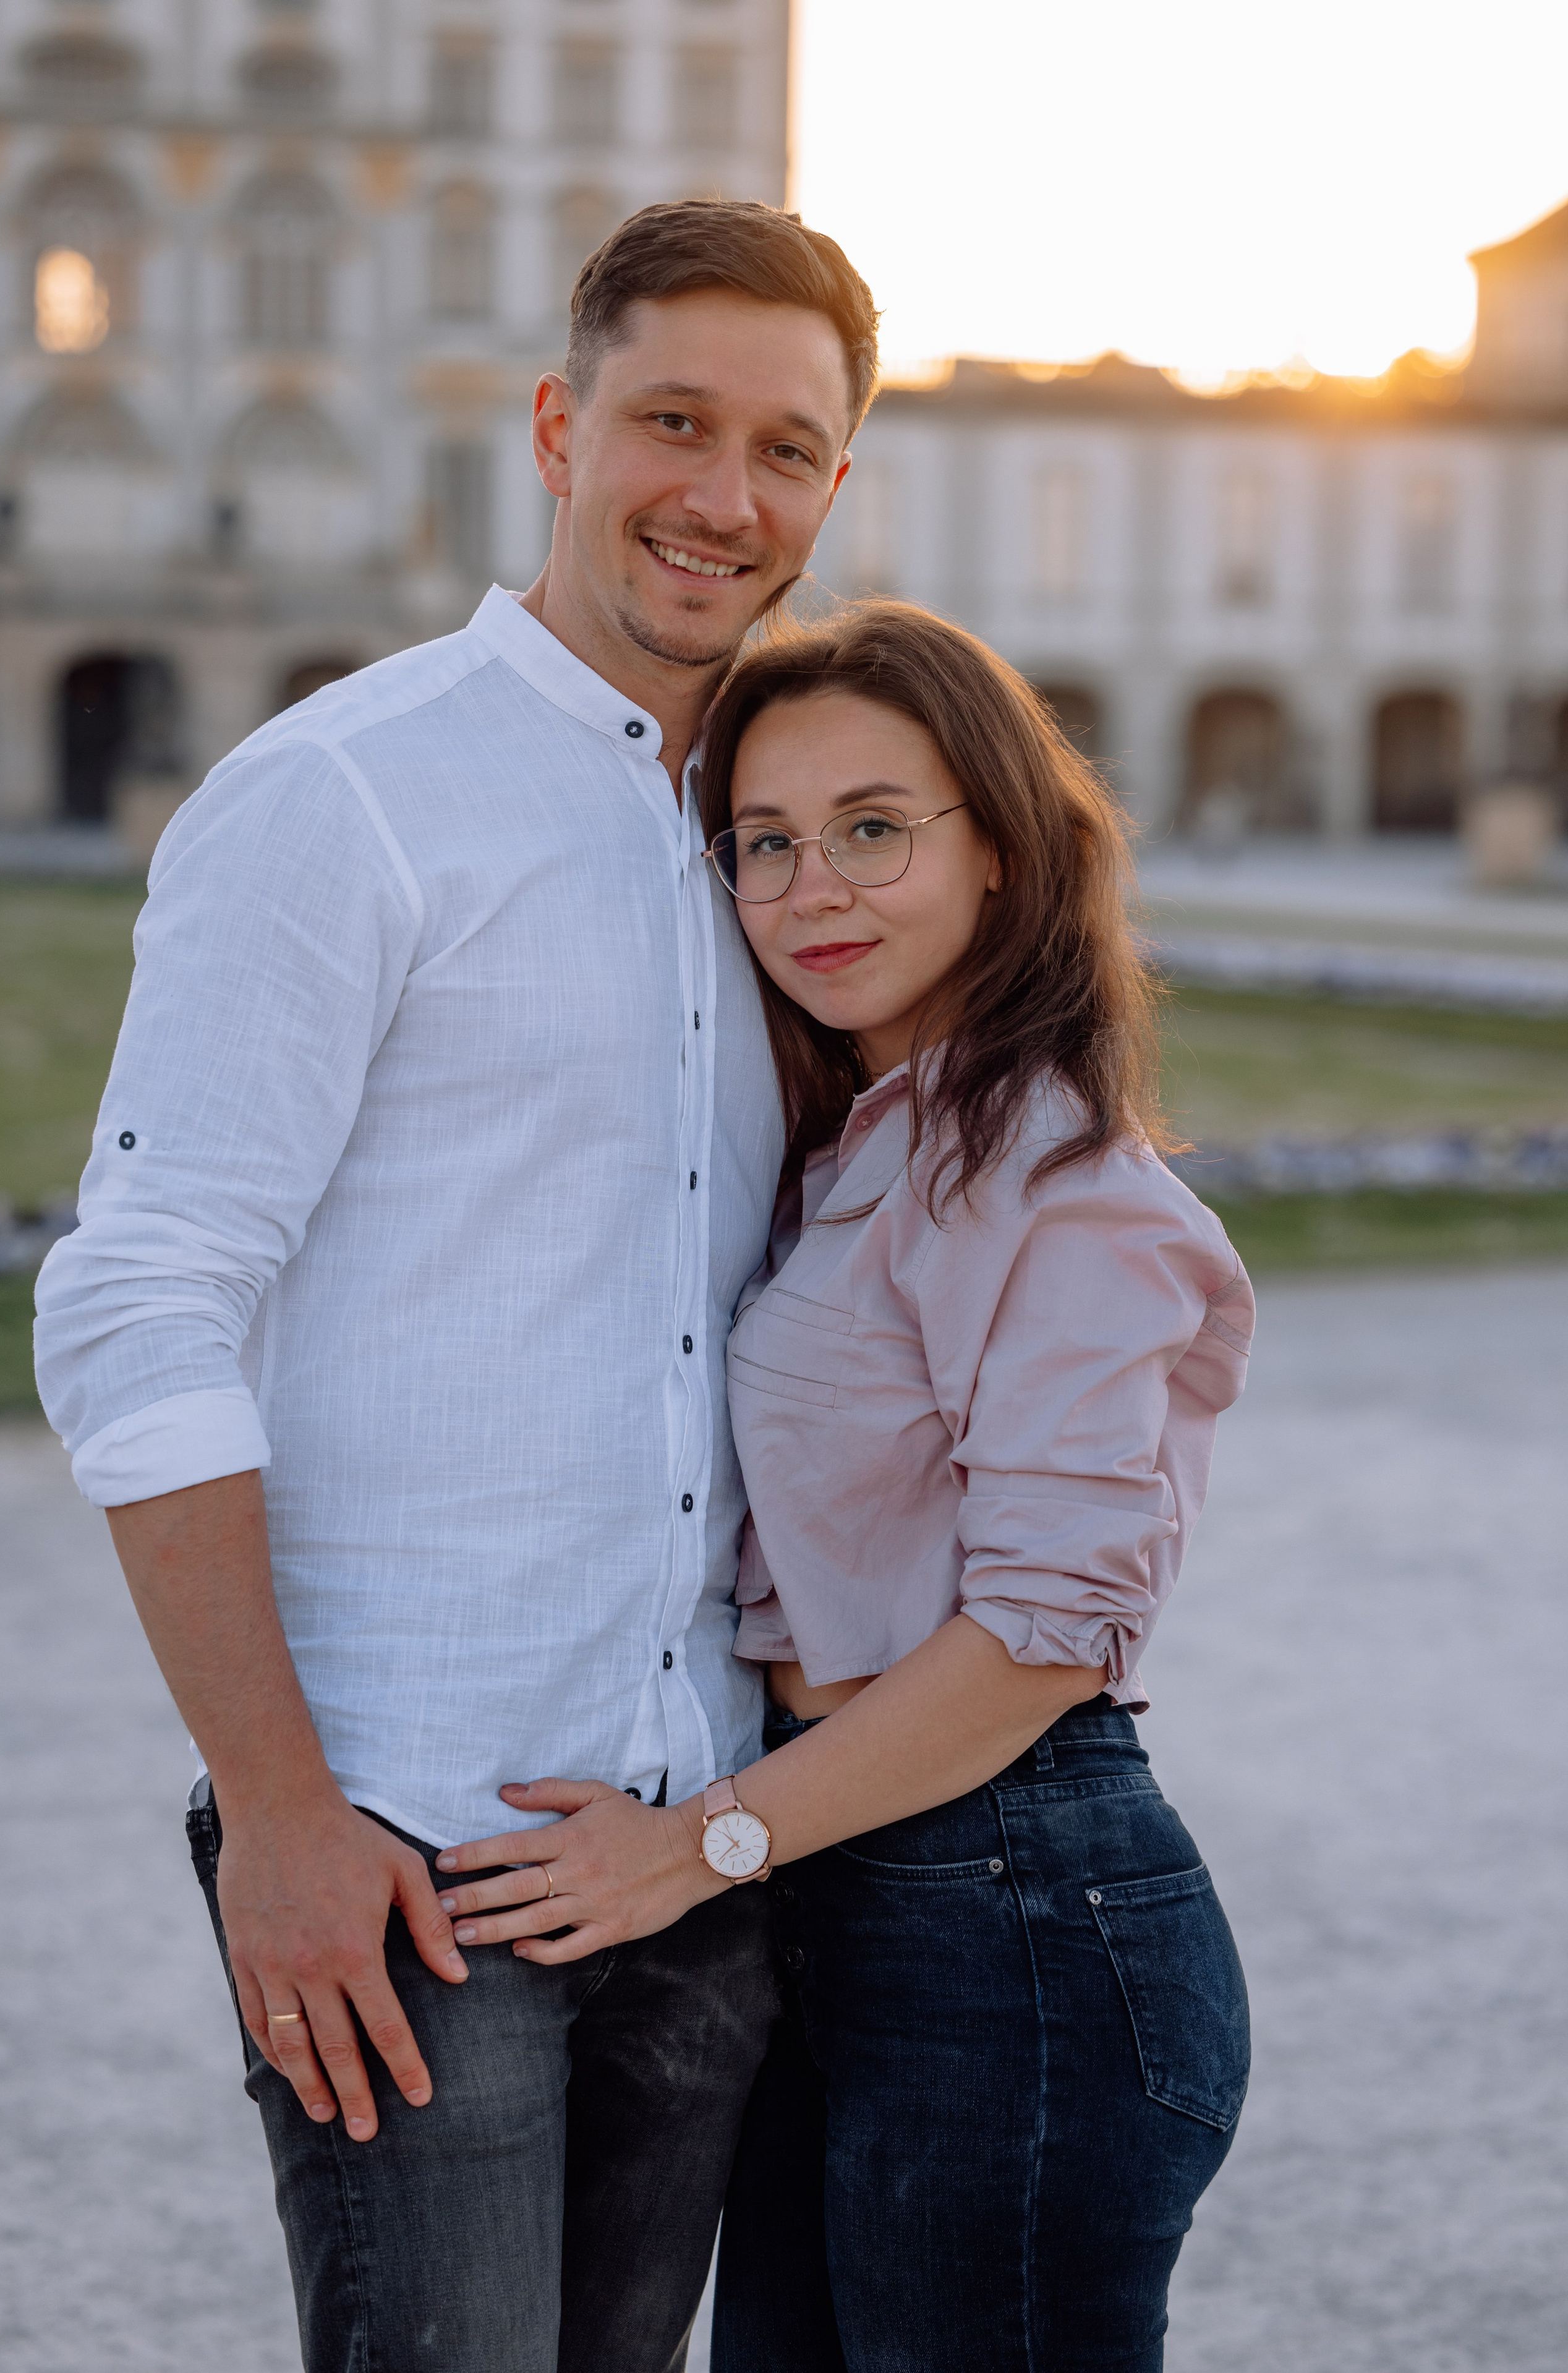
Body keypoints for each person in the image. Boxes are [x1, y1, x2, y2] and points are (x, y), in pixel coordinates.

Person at [34, 200, 879, 2373]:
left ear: (837, 488)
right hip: (401, 1850)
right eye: (672, 422)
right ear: (553, 426)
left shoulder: (771, 848)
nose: (724, 495)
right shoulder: (345, 793)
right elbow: (135, 1299)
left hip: (681, 1846)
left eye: (787, 448)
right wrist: (286, 1819)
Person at [433, 602, 1256, 2372]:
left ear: (1005, 850)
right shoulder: (866, 1146)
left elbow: (1044, 1631)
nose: (815, 889)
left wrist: (696, 1848)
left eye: (876, 829)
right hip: (847, 1899)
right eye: (767, 845)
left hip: (1019, 1915)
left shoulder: (1070, 1192)